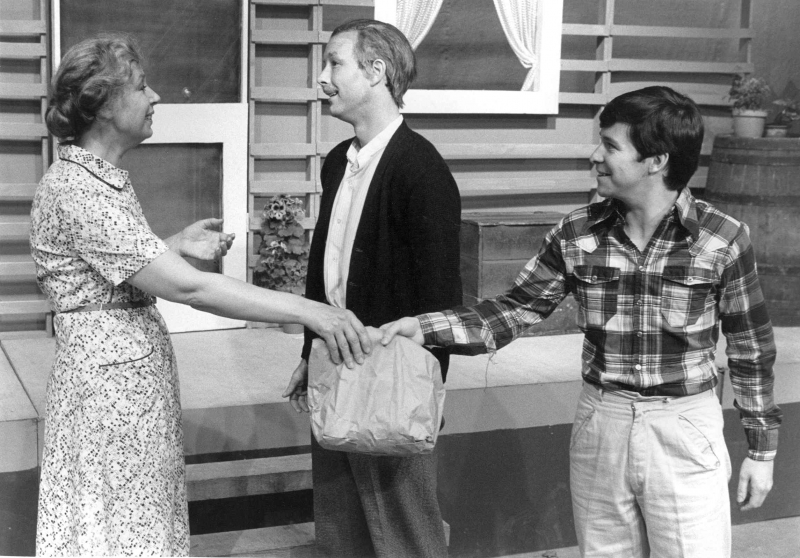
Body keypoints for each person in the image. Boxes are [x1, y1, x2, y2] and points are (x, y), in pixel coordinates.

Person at [381, 86, 781, 558]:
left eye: (610, 145)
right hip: (601, 422)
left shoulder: (722, 239)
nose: (595, 156)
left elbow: (750, 350)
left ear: (656, 161)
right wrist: (423, 328)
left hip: (684, 427)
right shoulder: (576, 233)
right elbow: (513, 310)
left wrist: (762, 451)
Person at [31, 34, 372, 557]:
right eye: (141, 87)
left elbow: (101, 274)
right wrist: (312, 311)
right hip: (108, 397)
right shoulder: (77, 189)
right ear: (104, 105)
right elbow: (191, 287)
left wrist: (171, 245)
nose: (155, 97)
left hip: (122, 388)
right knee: (120, 531)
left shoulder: (96, 182)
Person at [281, 19, 462, 557]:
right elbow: (326, 269)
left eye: (335, 63)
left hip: (390, 376)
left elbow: (440, 298)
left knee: (404, 533)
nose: (322, 78)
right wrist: (309, 351)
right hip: (334, 361)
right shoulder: (338, 162)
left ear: (376, 71)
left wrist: (423, 392)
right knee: (341, 531)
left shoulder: (421, 169)